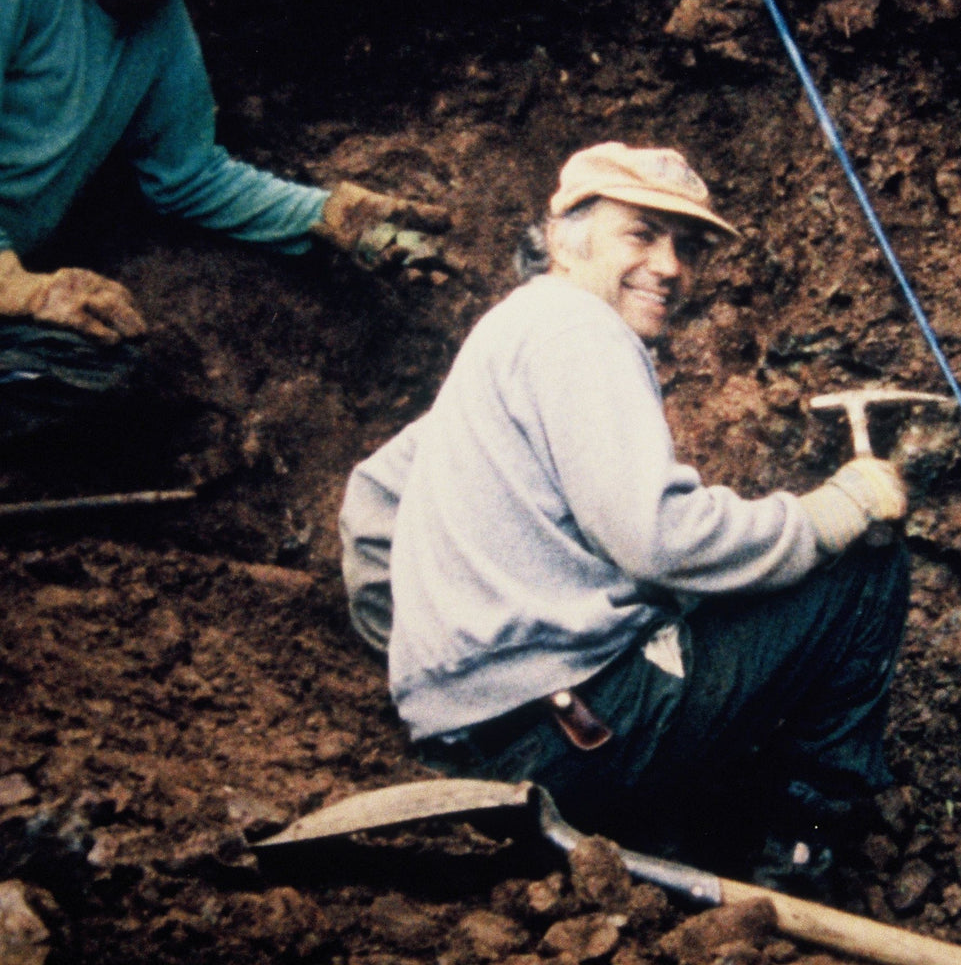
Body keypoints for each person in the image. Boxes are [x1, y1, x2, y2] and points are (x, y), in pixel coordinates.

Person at [339, 141, 910, 897]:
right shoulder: (581, 328)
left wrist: (447, 678)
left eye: (688, 246)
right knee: (866, 565)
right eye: (641, 235)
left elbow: (372, 504)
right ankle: (805, 854)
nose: (671, 266)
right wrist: (832, 513)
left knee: (696, 606)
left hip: (471, 759)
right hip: (573, 744)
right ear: (565, 237)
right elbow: (658, 539)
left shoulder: (507, 336)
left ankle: (678, 810)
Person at [0, 0, 448, 440]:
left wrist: (330, 213)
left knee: (104, 365)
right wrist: (15, 285)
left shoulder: (158, 21)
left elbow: (190, 174)